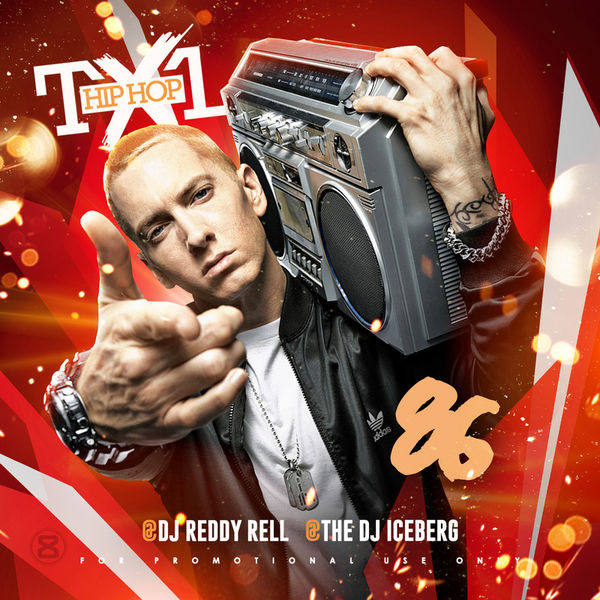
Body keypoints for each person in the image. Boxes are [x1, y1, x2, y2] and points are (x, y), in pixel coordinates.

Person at [46, 46, 544, 600]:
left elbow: (515, 397)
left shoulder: (372, 312)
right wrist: (87, 408)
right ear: (152, 265)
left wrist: (470, 192)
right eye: (159, 230)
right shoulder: (170, 381)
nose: (195, 234)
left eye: (200, 195)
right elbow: (117, 437)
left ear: (251, 189)